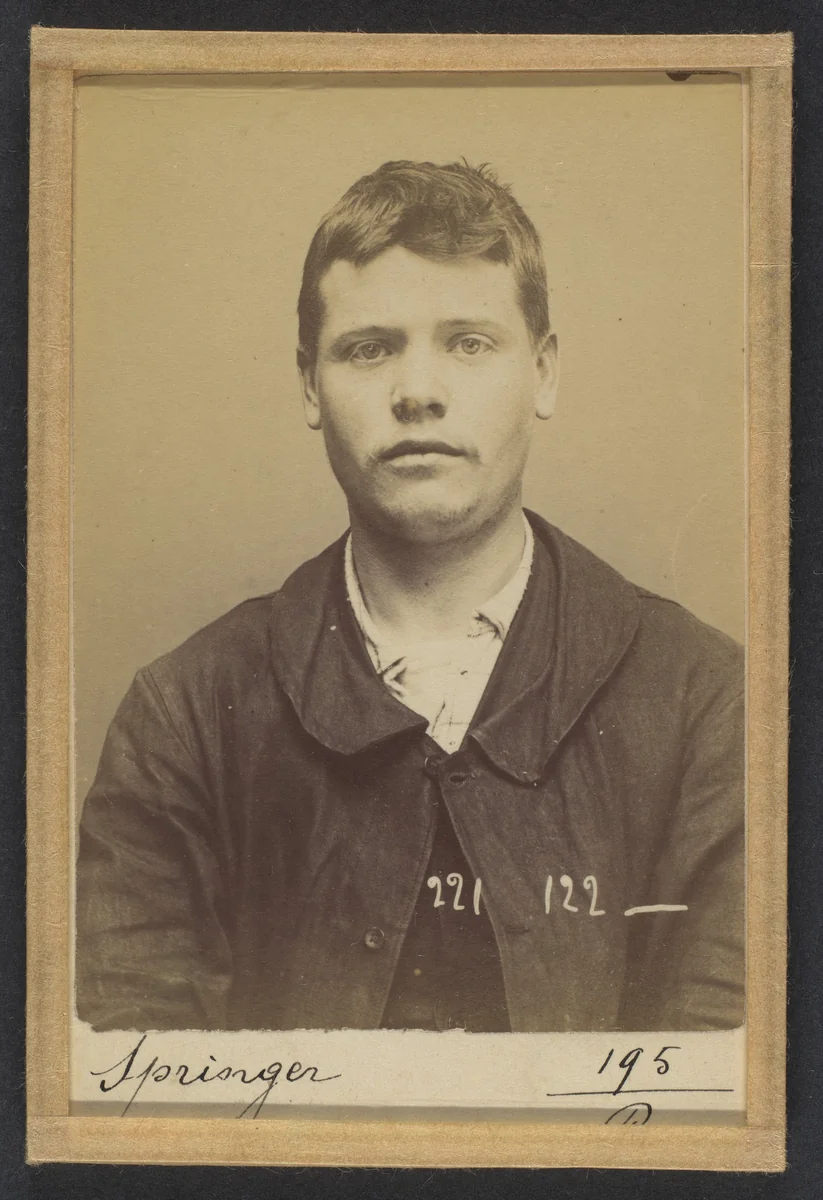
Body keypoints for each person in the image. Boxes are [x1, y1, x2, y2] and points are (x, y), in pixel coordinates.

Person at [76, 160, 744, 1035]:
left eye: (468, 342)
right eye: (368, 347)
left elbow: (731, 1082)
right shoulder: (185, 712)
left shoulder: (707, 698)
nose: (417, 391)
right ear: (311, 385)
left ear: (543, 373)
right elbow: (135, 1086)